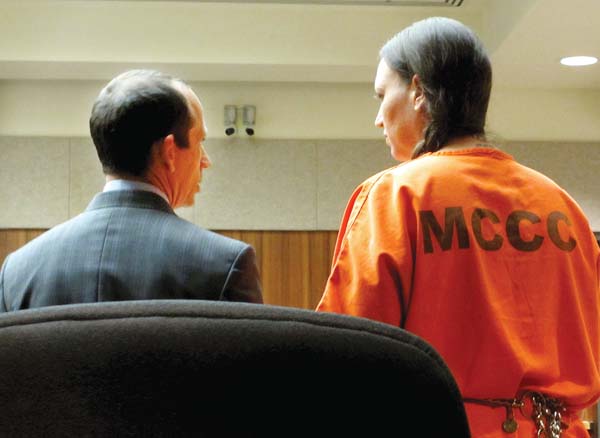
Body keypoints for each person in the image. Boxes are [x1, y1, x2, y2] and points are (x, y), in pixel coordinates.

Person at [316, 17, 600, 437]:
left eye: (382, 95)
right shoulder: (563, 207)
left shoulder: (394, 196)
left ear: (418, 92)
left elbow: (346, 357)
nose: (378, 118)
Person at [0, 69, 263, 310]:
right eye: (199, 142)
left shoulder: (16, 272)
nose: (206, 160)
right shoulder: (225, 266)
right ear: (170, 152)